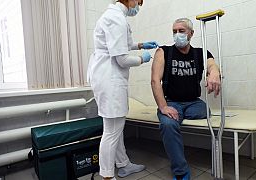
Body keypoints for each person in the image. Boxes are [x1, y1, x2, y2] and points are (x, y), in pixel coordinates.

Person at [87, 0, 158, 179]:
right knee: (112, 131)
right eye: (139, 2)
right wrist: (142, 58)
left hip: (104, 77)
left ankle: (124, 164)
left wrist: (140, 45)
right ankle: (107, 176)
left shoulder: (115, 16)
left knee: (114, 128)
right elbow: (122, 59)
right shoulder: (116, 18)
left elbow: (118, 44)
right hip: (110, 79)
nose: (138, 7)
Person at [151, 18, 221, 180]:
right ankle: (181, 171)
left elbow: (211, 64)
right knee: (168, 124)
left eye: (181, 31)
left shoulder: (200, 53)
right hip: (171, 102)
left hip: (194, 103)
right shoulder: (164, 52)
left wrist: (215, 72)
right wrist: (163, 107)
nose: (177, 34)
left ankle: (180, 114)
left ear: (191, 33)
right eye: (174, 31)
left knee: (206, 111)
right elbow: (155, 81)